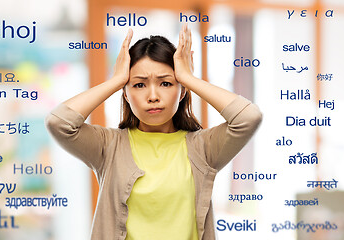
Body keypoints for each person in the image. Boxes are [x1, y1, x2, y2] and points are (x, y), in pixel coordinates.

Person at [45, 24, 262, 240]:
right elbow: (59, 123)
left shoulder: (203, 147)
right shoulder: (108, 146)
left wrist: (190, 79)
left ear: (182, 90)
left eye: (166, 83)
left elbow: (248, 118)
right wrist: (115, 81)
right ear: (126, 94)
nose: (153, 96)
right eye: (139, 85)